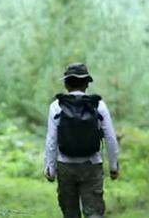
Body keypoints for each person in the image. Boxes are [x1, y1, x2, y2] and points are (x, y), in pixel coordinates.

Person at [44, 63, 120, 218]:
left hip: (65, 166)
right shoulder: (98, 105)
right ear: (87, 83)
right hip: (92, 165)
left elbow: (51, 140)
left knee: (70, 214)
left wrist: (50, 168)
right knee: (94, 213)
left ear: (66, 83)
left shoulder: (56, 106)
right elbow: (110, 138)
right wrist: (113, 166)